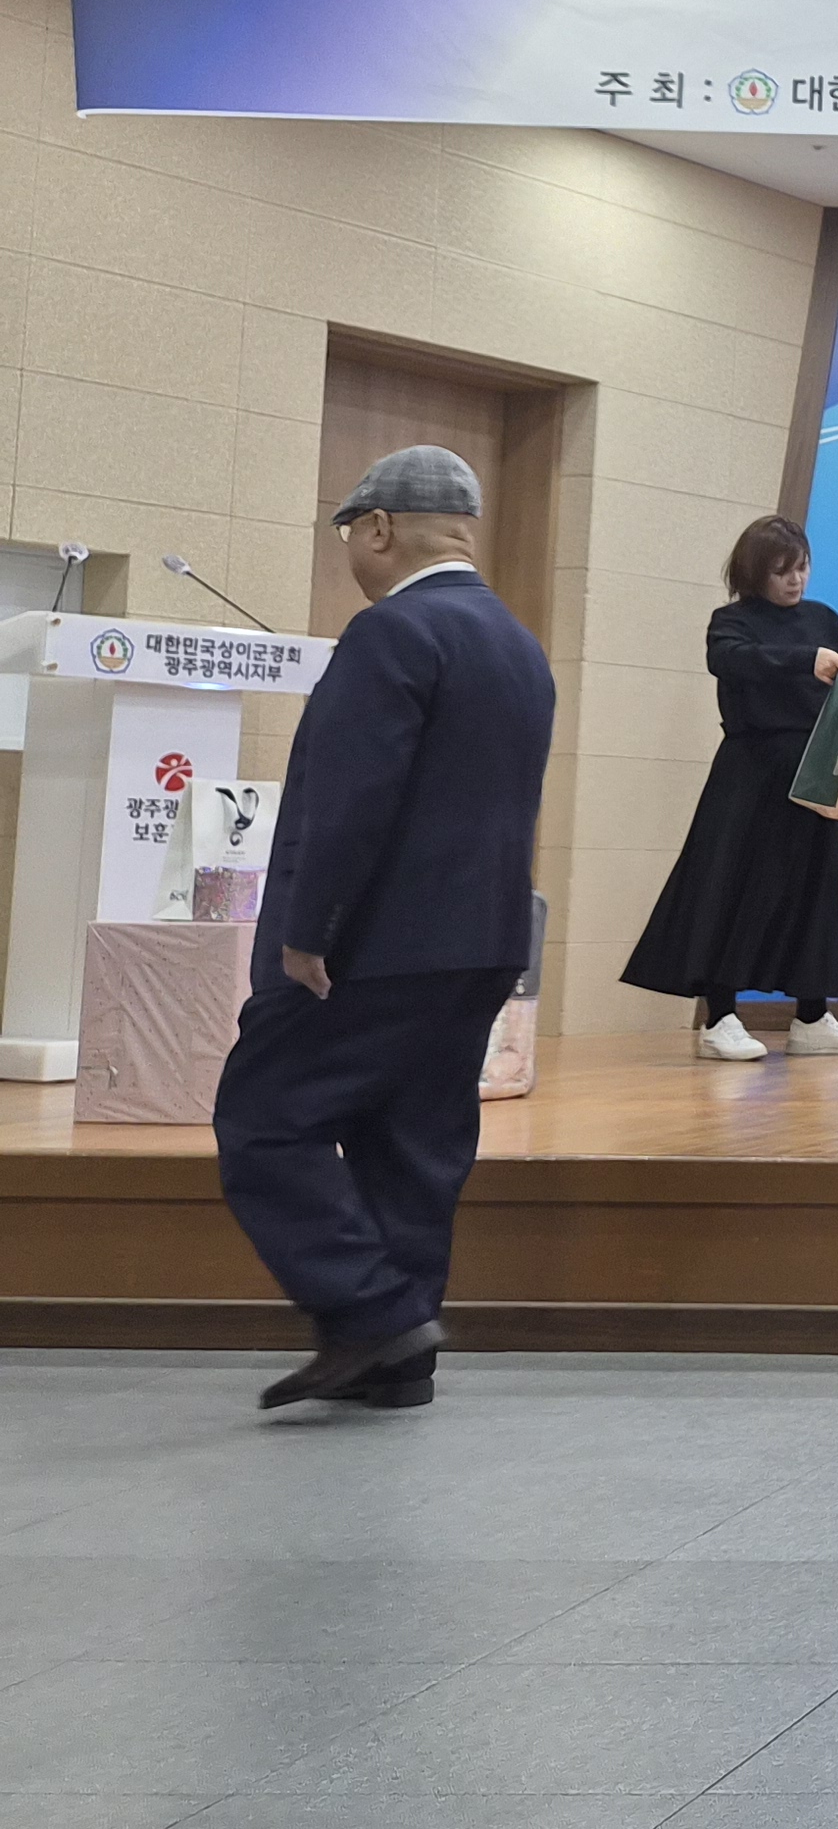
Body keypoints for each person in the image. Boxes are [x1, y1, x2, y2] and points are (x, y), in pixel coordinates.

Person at [214, 445, 557, 1413]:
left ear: (376, 527)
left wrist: (311, 928)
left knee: (263, 1119)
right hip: (484, 938)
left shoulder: (392, 632)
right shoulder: (517, 644)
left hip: (375, 945)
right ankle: (398, 1363)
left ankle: (369, 1313)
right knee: (413, 1144)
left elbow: (351, 801)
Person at [621, 515, 838, 1060]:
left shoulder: (822, 618)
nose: (795, 580)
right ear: (755, 572)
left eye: (802, 567)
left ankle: (812, 1017)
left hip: (813, 772)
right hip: (750, 772)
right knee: (730, 887)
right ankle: (720, 1018)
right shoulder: (731, 622)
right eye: (782, 571)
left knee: (817, 890)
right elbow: (731, 660)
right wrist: (805, 660)